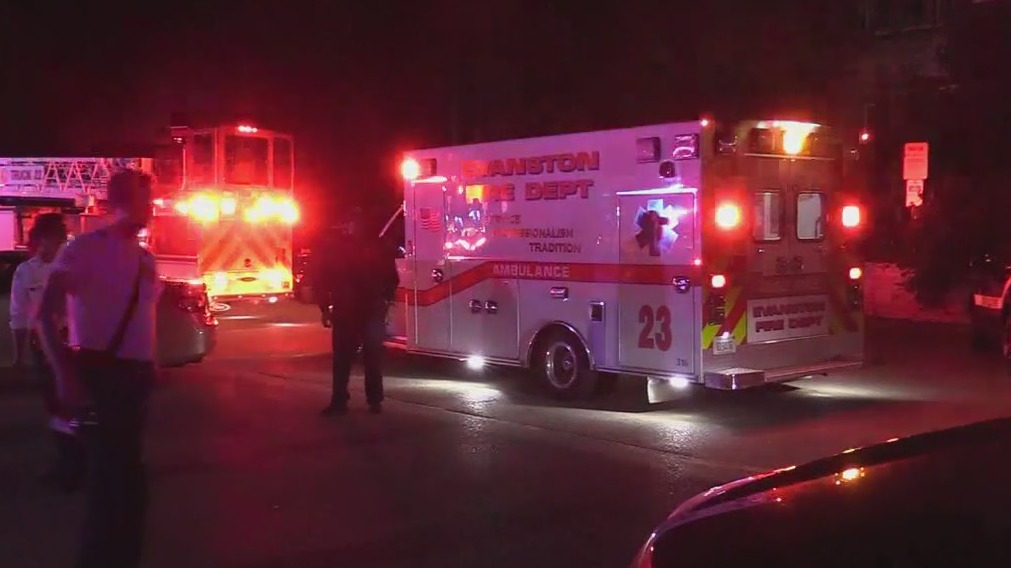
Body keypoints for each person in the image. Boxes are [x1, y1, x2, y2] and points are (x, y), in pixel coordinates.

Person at [35, 169, 161, 568]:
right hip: (102, 375)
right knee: (110, 487)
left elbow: (143, 320)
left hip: (134, 381)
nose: (151, 207)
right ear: (119, 202)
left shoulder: (145, 258)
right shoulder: (85, 249)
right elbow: (43, 315)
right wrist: (66, 376)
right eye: (144, 199)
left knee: (130, 486)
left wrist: (151, 366)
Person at [10, 213, 84, 491]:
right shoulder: (25, 272)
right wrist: (20, 356)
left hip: (72, 345)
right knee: (55, 407)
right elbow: (18, 315)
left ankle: (79, 462)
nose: (51, 245)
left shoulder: (72, 268)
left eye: (57, 238)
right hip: (43, 348)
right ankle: (67, 461)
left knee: (76, 404)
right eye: (45, 239)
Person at [315, 207, 399, 415]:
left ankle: (341, 401)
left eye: (349, 222)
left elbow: (323, 278)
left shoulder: (337, 248)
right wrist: (386, 299)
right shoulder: (378, 246)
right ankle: (373, 401)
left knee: (345, 358)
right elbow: (392, 277)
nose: (348, 227)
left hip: (351, 309)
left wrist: (325, 308)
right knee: (370, 356)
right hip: (365, 308)